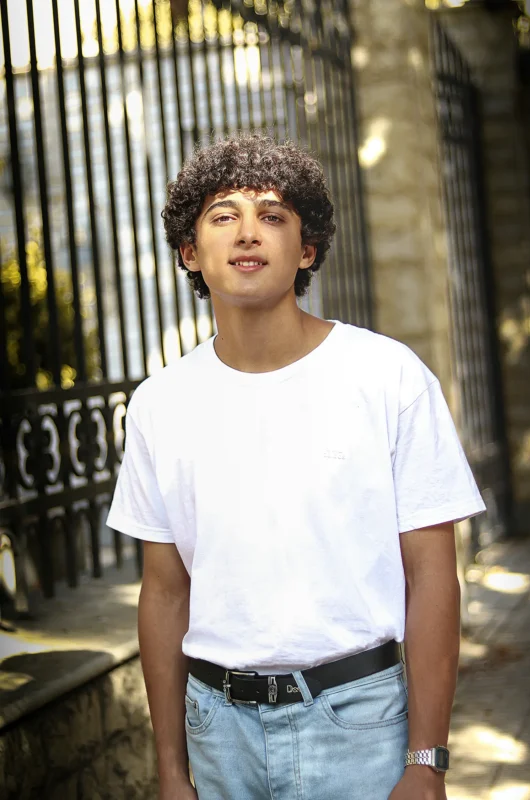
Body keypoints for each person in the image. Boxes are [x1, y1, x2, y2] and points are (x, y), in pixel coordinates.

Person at [107, 132, 486, 800]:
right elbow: (164, 592)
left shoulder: (385, 376)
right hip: (217, 733)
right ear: (189, 253)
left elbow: (431, 573)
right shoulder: (158, 406)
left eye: (272, 215)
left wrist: (425, 760)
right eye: (223, 215)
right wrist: (171, 771)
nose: (248, 232)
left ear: (305, 249)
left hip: (361, 726)